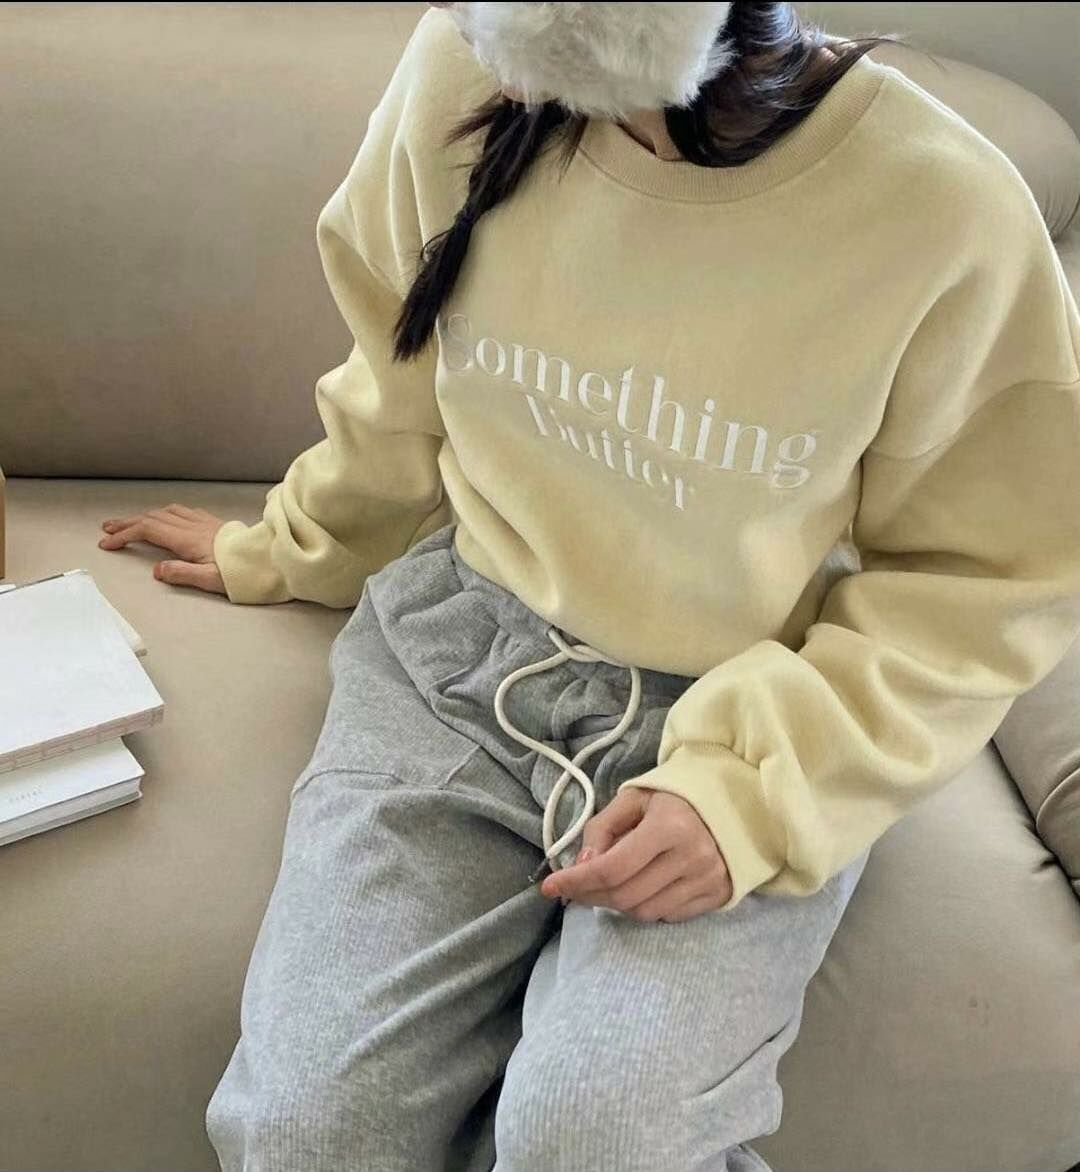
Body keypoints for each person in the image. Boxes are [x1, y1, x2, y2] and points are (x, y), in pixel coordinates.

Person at [98, 3, 1080, 1169]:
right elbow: (397, 380)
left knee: (593, 1139)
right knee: (309, 1135)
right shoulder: (460, 67)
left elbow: (987, 575)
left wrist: (752, 795)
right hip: (453, 667)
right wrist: (286, 544)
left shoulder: (942, 211)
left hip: (744, 707)